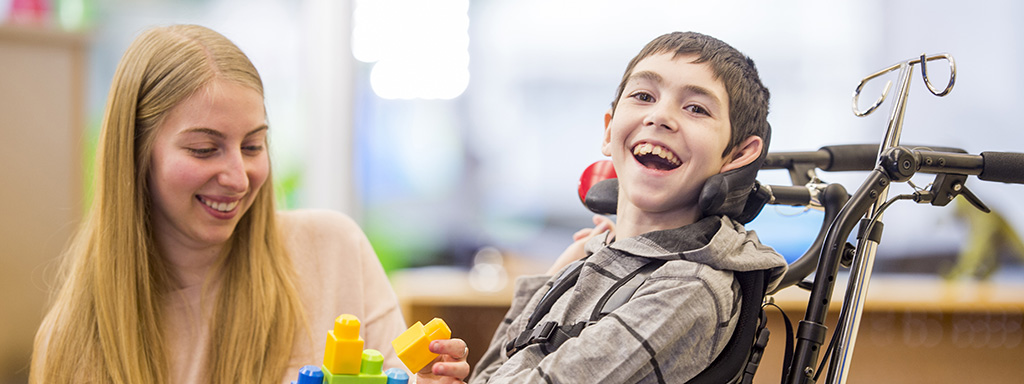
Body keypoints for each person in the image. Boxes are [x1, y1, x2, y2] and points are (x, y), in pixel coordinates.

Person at [28, 24, 469, 384]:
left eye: (254, 145)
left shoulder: (335, 251)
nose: (239, 178)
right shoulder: (72, 342)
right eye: (204, 149)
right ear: (136, 155)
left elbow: (404, 376)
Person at [469, 31, 788, 383]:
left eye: (696, 108)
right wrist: (553, 276)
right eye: (643, 96)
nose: (660, 116)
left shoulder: (688, 288)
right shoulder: (592, 256)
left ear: (739, 154)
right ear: (608, 132)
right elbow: (489, 372)